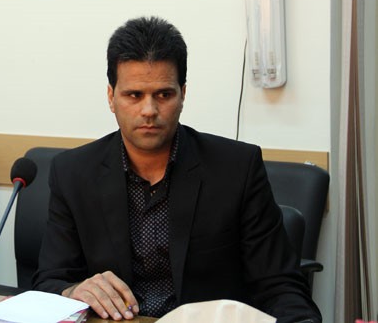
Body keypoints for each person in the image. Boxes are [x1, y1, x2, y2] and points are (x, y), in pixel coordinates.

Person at [33, 17, 321, 322]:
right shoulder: (73, 173)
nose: (149, 110)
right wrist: (73, 291)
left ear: (183, 94)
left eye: (163, 94)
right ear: (111, 97)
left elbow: (280, 286)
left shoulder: (237, 169)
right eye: (134, 95)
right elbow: (49, 281)